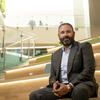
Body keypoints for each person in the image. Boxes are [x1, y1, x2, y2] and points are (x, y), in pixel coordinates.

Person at [29, 23, 98, 100]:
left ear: (74, 34)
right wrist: (54, 84)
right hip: (61, 87)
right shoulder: (55, 54)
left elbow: (89, 71)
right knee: (35, 95)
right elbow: (52, 76)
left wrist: (69, 86)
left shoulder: (84, 47)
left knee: (79, 91)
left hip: (80, 85)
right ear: (59, 36)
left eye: (68, 32)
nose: (65, 35)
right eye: (62, 32)